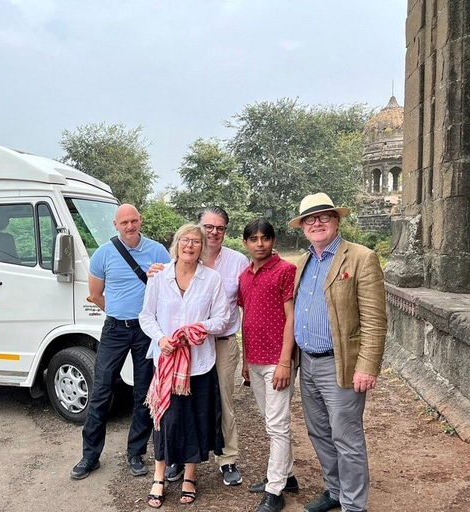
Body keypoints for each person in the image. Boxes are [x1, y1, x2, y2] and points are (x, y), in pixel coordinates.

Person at [290, 193, 386, 512]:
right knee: (319, 433)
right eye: (310, 219)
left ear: (336, 220)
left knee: (347, 439)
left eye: (323, 217)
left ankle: (353, 506)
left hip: (340, 364)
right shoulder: (303, 262)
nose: (317, 223)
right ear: (303, 227)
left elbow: (374, 319)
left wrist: (367, 367)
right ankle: (334, 491)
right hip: (308, 364)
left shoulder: (361, 257)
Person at [70, 204, 171, 480]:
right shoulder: (103, 253)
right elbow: (95, 293)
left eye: (134, 220)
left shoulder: (158, 251)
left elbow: (170, 287)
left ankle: (135, 453)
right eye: (124, 222)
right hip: (115, 328)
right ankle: (90, 456)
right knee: (101, 390)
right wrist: (119, 312)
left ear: (140, 221)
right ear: (115, 224)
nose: (130, 226)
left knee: (143, 393)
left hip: (146, 331)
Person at [150, 207, 249, 485]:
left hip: (220, 343)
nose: (213, 232)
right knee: (179, 405)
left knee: (221, 403)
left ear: (225, 232)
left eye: (220, 227)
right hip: (176, 350)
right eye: (208, 226)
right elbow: (149, 311)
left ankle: (227, 459)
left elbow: (243, 305)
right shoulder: (165, 271)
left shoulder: (236, 262)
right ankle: (178, 459)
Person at [139, 223, 229, 507]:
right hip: (166, 362)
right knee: (165, 420)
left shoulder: (212, 279)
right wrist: (162, 337)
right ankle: (159, 475)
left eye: (196, 242)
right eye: (185, 241)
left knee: (196, 421)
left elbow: (222, 319)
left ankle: (190, 475)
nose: (189, 246)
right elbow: (146, 316)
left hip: (199, 364)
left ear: (202, 247)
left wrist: (198, 328)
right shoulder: (159, 277)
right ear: (176, 244)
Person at [237, 218, 298, 512]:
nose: (259, 244)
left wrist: (286, 361)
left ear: (273, 241)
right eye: (253, 239)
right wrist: (246, 360)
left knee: (277, 425)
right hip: (256, 360)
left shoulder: (285, 270)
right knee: (270, 422)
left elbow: (291, 318)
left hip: (277, 360)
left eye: (265, 238)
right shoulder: (245, 276)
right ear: (245, 242)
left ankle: (275, 491)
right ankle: (287, 476)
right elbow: (246, 320)